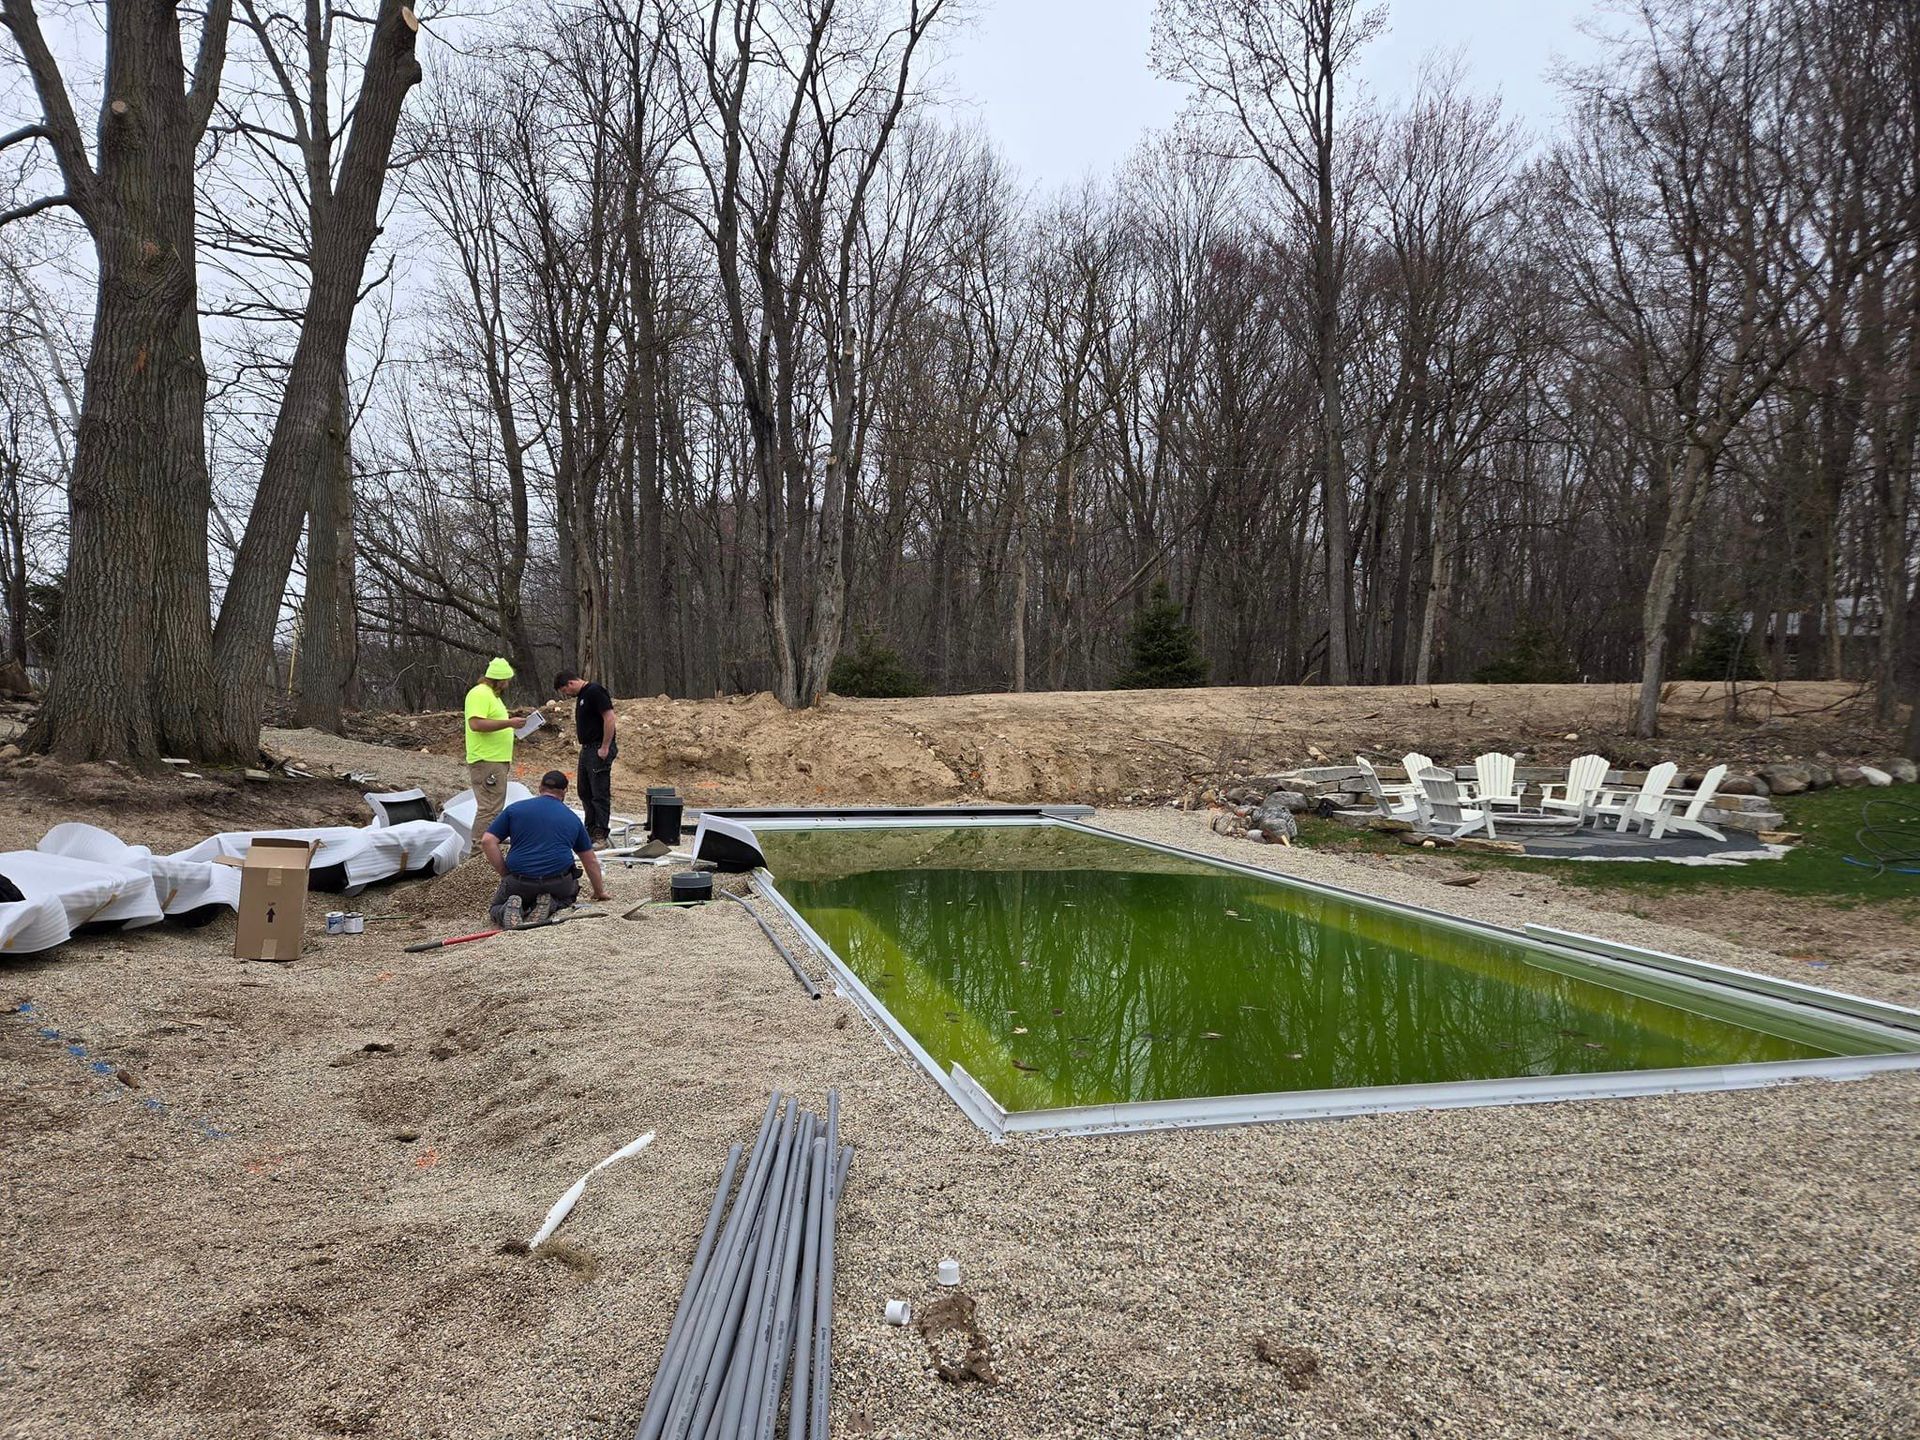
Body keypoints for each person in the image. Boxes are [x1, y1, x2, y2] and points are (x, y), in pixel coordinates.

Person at [479, 770, 611, 928]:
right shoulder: (572, 818)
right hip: (557, 883)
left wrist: (505, 873)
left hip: (520, 882)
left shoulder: (515, 810)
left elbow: (487, 841)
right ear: (564, 792)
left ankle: (507, 908)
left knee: (496, 907)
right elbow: (590, 861)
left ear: (540, 787)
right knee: (568, 895)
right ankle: (551, 903)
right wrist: (599, 892)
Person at [464, 657, 529, 835]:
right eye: (506, 680)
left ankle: (487, 851)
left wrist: (510, 724)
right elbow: (476, 724)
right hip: (487, 760)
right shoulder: (480, 694)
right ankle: (480, 853)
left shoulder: (492, 696)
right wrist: (508, 723)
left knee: (494, 808)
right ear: (498, 680)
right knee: (489, 809)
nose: (507, 684)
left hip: (495, 759)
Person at [554, 669, 618, 846]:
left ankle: (600, 834)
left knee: (599, 792)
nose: (566, 694)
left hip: (598, 747)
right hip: (587, 749)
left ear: (570, 683)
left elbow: (609, 718)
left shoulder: (595, 692)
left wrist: (605, 746)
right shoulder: (583, 696)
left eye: (565, 691)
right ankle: (589, 830)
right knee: (585, 791)